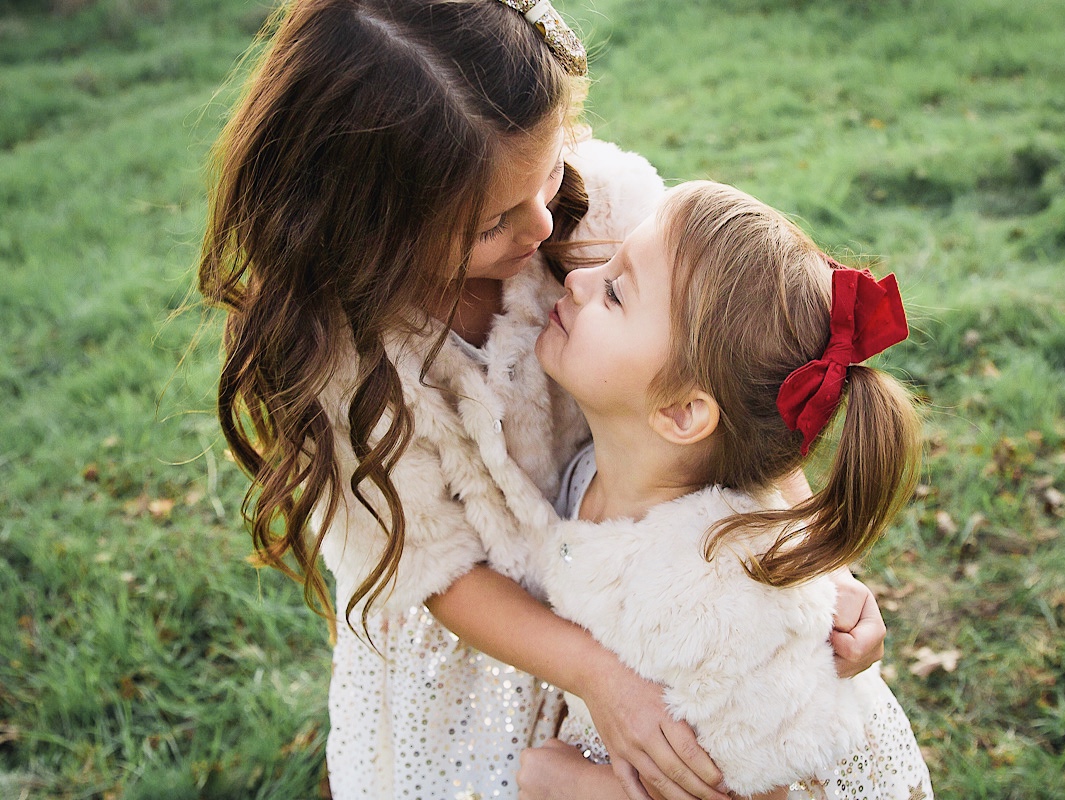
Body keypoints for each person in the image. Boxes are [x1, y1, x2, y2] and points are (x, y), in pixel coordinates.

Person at [198, 1, 886, 797]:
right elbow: (433, 564)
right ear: (370, 226)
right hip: (496, 655)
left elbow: (742, 400)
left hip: (667, 597)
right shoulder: (332, 357)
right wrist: (598, 676)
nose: (540, 222)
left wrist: (812, 570)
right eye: (492, 221)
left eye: (549, 171)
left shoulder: (606, 210)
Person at [520, 181, 934, 799]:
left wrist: (569, 784)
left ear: (682, 413)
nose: (576, 280)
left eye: (614, 292)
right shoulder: (594, 472)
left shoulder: (722, 600)